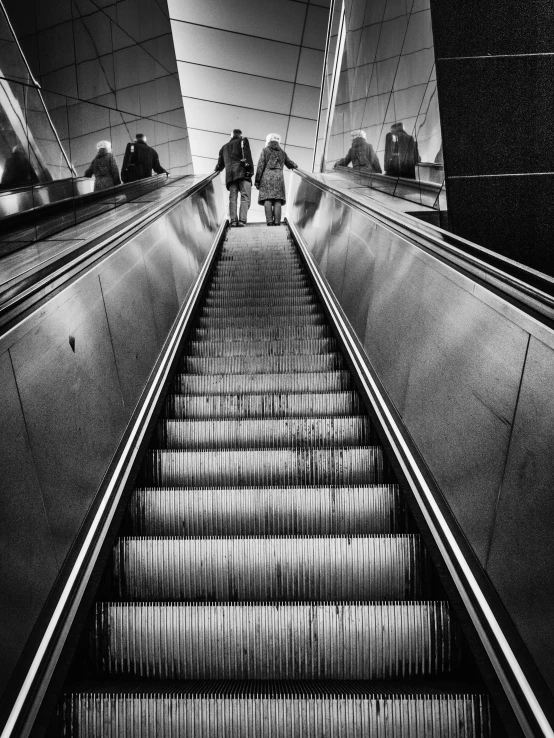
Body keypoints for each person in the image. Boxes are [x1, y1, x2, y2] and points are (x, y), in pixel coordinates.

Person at [255, 133, 297, 226]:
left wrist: (257, 181)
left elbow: (260, 166)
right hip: (279, 178)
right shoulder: (282, 152)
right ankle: (277, 222)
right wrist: (295, 165)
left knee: (267, 199)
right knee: (277, 200)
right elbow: (290, 164)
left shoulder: (265, 150)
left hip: (266, 178)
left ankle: (269, 221)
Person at [214, 128, 254, 227]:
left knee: (233, 198)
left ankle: (233, 221)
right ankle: (242, 220)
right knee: (245, 196)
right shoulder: (243, 141)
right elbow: (247, 156)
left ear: (231, 136)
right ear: (240, 135)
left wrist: (215, 171)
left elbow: (220, 165)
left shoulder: (224, 148)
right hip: (242, 173)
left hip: (230, 176)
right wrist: (251, 171)